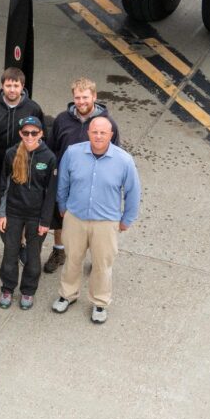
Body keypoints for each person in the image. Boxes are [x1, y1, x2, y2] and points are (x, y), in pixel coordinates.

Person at [52, 117, 139, 324]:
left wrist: (127, 219)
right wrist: (63, 207)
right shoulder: (73, 153)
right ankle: (67, 295)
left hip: (106, 223)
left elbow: (133, 193)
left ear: (111, 135)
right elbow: (62, 182)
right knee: (72, 258)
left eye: (103, 133)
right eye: (94, 132)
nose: (98, 136)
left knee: (102, 264)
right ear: (88, 133)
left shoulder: (124, 161)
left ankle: (100, 302)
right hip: (75, 218)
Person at [43, 77, 121, 274]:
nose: (81, 102)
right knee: (60, 218)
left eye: (85, 97)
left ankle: (97, 257)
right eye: (77, 97)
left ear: (94, 96)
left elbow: (116, 155)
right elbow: (52, 149)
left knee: (95, 223)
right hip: (66, 181)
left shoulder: (107, 123)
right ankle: (59, 251)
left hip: (95, 183)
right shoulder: (62, 120)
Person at [0, 67, 44, 252]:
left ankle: (20, 244)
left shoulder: (33, 108)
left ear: (22, 86)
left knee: (19, 207)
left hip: (21, 163)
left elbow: (39, 135)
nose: (12, 89)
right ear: (2, 86)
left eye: (16, 85)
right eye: (8, 85)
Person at [0, 116, 56, 310]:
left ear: (41, 134)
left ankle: (28, 291)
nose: (30, 136)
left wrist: (45, 221)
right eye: (26, 132)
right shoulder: (11, 153)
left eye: (34, 133)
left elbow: (51, 193)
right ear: (20, 133)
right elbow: (3, 186)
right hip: (13, 212)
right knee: (10, 254)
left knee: (32, 257)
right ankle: (7, 288)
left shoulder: (49, 158)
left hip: (36, 216)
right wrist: (1, 214)